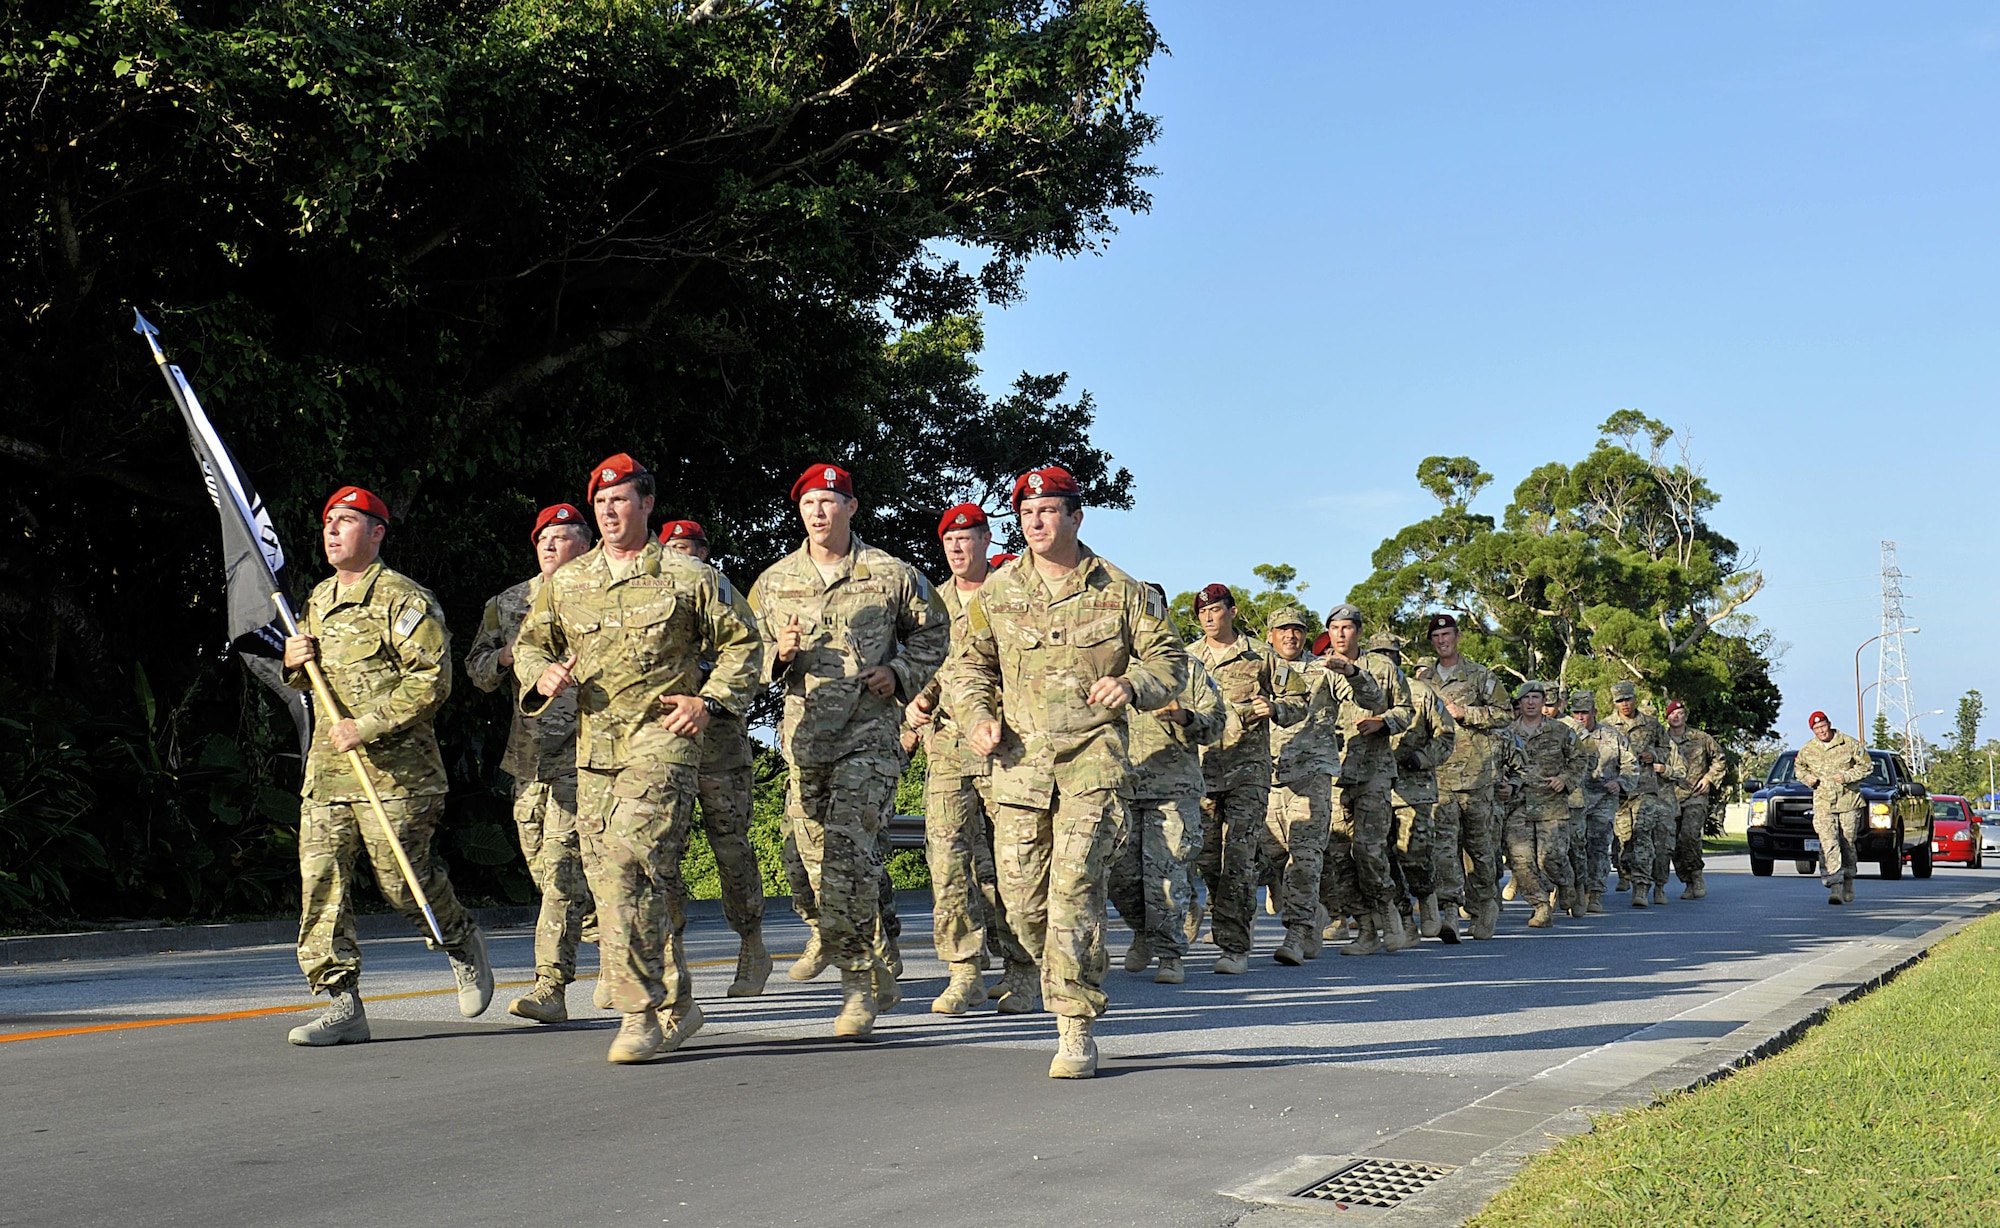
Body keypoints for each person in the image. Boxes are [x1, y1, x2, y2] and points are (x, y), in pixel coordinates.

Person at [513, 454, 761, 1063]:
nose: (609, 510)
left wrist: (710, 701)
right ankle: (679, 1003)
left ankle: (639, 1012)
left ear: (647, 505)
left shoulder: (688, 576)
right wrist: (541, 675)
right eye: (601, 502)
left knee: (630, 862)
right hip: (595, 748)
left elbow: (744, 644)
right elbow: (530, 645)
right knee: (621, 878)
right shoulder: (566, 583)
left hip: (664, 741)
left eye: (621, 500)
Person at [945, 465, 1187, 1078]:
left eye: (1049, 510)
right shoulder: (997, 593)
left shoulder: (1122, 589)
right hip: (1020, 770)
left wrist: (1132, 682)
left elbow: (1169, 660)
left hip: (1092, 763)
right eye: (1027, 513)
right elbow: (968, 667)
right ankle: (1041, 973)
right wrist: (978, 715)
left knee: (1076, 887)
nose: (1036, 521)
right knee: (1023, 904)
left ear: (1076, 516)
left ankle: (1074, 1024)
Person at [281, 486, 492, 1046]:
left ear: (376, 533)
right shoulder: (319, 600)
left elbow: (432, 681)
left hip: (398, 775)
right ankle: (342, 1004)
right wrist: (295, 664)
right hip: (329, 774)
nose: (332, 531)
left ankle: (460, 939)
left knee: (403, 883)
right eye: (327, 521)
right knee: (321, 886)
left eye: (345, 521)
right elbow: (318, 683)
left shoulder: (404, 599)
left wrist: (368, 723)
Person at [748, 463, 949, 1038]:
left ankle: (859, 984)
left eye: (830, 501)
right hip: (806, 740)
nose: (819, 511)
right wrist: (777, 656)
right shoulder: (775, 580)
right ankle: (875, 966)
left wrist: (900, 671)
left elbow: (935, 632)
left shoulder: (891, 574)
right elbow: (746, 653)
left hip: (870, 739)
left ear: (851, 508)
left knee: (848, 854)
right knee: (812, 866)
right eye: (809, 502)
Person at [904, 503, 1038, 1014]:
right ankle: (964, 972)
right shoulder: (931, 602)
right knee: (948, 859)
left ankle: (1023, 972)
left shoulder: (1012, 592)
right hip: (948, 750)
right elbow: (928, 664)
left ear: (985, 540)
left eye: (967, 538)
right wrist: (916, 699)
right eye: (949, 541)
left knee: (1014, 863)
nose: (958, 548)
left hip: (1009, 747)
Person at [464, 504, 594, 1022]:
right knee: (545, 868)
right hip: (528, 758)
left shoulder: (603, 598)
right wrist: (505, 657)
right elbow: (476, 669)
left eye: (561, 537)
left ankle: (551, 987)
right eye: (543, 536)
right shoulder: (508, 602)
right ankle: (608, 930)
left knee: (561, 872)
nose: (549, 544)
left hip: (587, 754)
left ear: (584, 544)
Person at [657, 519, 774, 997]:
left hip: (720, 742)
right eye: (675, 549)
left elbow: (751, 657)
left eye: (691, 549)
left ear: (705, 553)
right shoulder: (653, 597)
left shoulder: (723, 596)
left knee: (730, 845)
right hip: (667, 743)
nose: (684, 556)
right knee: (663, 851)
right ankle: (667, 958)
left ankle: (752, 942)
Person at [1113, 584, 1226, 983]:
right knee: (1119, 876)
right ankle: (1143, 931)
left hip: (1172, 789)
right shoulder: (1113, 664)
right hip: (1122, 786)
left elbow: (1216, 722)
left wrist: (1184, 717)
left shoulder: (1187, 667)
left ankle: (1170, 954)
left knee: (1165, 874)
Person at [1189, 584, 1303, 973]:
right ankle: (1224, 923)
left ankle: (1234, 946)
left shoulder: (1262, 656)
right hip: (1202, 772)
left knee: (1238, 858)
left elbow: (1298, 700)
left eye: (1216, 610)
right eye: (1203, 612)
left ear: (1232, 612)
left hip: (1248, 772)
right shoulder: (1189, 658)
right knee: (1207, 859)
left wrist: (1275, 707)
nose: (1208, 617)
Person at [1264, 608, 1383, 961]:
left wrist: (1353, 673)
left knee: (1305, 858)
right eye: (1283, 630)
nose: (1290, 636)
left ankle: (1297, 933)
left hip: (1312, 774)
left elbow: (1373, 700)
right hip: (1267, 777)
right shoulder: (1259, 667)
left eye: (1297, 630)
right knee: (1271, 856)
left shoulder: (1324, 669)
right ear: (1270, 635)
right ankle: (1312, 912)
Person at [1317, 605, 1417, 956]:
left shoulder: (1383, 668)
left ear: (1358, 631)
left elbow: (1406, 710)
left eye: (1347, 628)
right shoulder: (1318, 668)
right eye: (1334, 628)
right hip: (1333, 772)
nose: (1340, 634)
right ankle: (1365, 925)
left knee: (1370, 850)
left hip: (1373, 770)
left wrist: (1384, 722)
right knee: (1338, 855)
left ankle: (1391, 913)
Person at [1414, 614, 1509, 941]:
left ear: (1457, 637)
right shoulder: (1424, 681)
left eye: (1447, 634)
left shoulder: (1480, 676)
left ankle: (1484, 905)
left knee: (1479, 850)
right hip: (1438, 777)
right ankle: (1451, 910)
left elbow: (1505, 714)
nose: (1442, 641)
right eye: (1436, 636)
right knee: (1443, 848)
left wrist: (1466, 713)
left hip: (1476, 777)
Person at [1372, 631, 1455, 941]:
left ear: (1398, 658)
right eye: (1378, 653)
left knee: (1414, 854)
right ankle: (1404, 918)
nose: (1384, 659)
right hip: (1374, 788)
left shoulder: (1421, 693)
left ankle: (1428, 900)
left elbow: (1446, 736)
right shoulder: (1361, 693)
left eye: (1390, 653)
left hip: (1414, 789)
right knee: (1381, 857)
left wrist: (1422, 758)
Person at [1504, 681, 1583, 928]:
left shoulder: (1560, 731)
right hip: (1518, 804)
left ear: (1543, 702)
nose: (1530, 702)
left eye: (1536, 697)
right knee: (1521, 861)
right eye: (1526, 698)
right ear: (1519, 702)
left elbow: (1580, 758)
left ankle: (1567, 882)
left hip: (1551, 803)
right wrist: (1503, 785)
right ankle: (1540, 906)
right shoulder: (1506, 732)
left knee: (1551, 858)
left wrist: (1566, 779)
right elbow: (1495, 762)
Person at [1604, 680, 1685, 907]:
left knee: (1643, 836)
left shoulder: (1651, 724)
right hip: (1619, 793)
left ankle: (1642, 888)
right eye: (1620, 700)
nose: (1624, 704)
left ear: (1634, 698)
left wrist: (1653, 754)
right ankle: (1627, 872)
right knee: (1623, 843)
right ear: (1614, 702)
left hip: (1645, 790)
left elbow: (1666, 748)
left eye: (1628, 699)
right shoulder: (1606, 726)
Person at [1563, 690, 1637, 916]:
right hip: (1574, 799)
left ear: (1594, 712)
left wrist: (1620, 782)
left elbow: (1631, 765)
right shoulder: (1563, 733)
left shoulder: (1612, 736)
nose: (1580, 718)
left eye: (1584, 713)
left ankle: (1593, 893)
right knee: (1574, 846)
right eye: (1576, 712)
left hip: (1603, 799)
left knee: (1598, 845)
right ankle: (1571, 887)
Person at [1795, 711, 1872, 905]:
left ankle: (1848, 879)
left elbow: (1867, 767)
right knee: (1828, 843)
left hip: (1848, 802)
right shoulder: (1808, 749)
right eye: (1816, 729)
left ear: (1829, 724)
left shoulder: (1849, 743)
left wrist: (1847, 776)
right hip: (1823, 804)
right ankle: (1834, 886)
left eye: (1823, 726)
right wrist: (1807, 779)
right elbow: (1799, 769)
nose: (1821, 731)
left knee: (1847, 843)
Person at [1666, 700, 1725, 899]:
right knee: (1672, 843)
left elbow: (1720, 758)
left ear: (1686, 716)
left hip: (1695, 796)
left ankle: (1697, 876)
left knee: (1689, 835)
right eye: (1673, 713)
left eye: (1680, 713)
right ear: (1667, 717)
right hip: (1669, 796)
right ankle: (1687, 881)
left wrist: (1709, 777)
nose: (1676, 717)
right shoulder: (1661, 739)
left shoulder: (1701, 738)